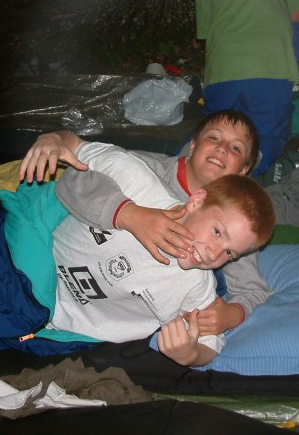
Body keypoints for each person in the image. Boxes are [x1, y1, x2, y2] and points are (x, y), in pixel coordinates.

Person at [0, 141, 275, 366]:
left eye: (228, 252)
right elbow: (75, 154)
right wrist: (127, 214)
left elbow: (210, 342)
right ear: (196, 201)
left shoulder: (191, 287)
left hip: (38, 320)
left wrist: (190, 353)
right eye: (217, 232)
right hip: (8, 250)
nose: (212, 253)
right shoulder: (140, 184)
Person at [20, 110, 271, 336]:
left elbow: (253, 291)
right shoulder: (149, 170)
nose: (223, 149)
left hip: (124, 295)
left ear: (244, 171)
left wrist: (232, 315)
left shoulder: (235, 228)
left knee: (214, 288)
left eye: (236, 148)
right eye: (214, 138)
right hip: (71, 247)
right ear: (193, 145)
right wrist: (130, 214)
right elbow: (81, 163)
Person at [195, 0, 299, 175]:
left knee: (214, 136)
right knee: (264, 137)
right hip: (271, 66)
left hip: (223, 70)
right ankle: (244, 184)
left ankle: (185, 179)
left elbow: (206, 32)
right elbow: (298, 7)